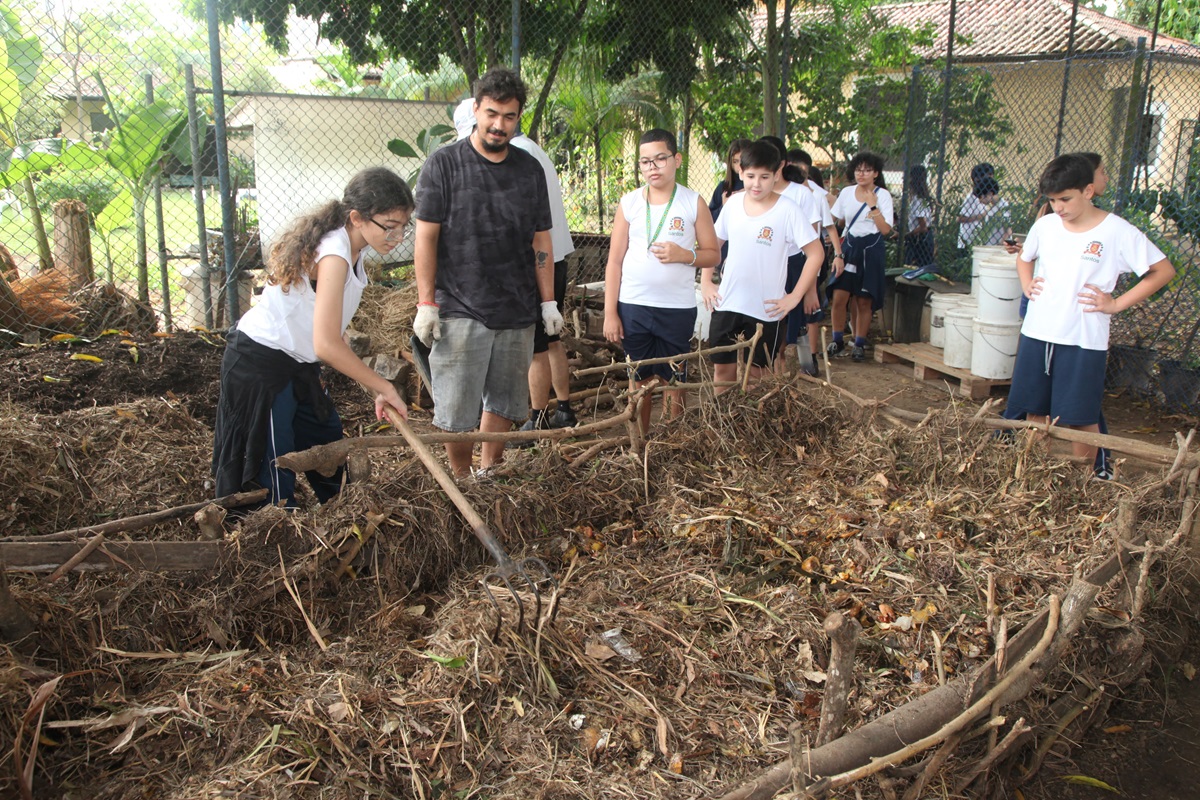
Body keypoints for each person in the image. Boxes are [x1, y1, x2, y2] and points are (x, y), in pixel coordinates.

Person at [212, 168, 413, 508]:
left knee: (327, 446)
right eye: (389, 226)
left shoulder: (355, 247)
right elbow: (326, 344)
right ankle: (274, 545)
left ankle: (346, 520)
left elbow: (329, 324)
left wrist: (373, 381)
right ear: (357, 218)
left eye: (403, 227)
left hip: (298, 365)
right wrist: (384, 386)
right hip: (262, 366)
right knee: (271, 472)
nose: (397, 236)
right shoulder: (334, 253)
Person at [412, 67, 561, 479]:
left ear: (518, 118)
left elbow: (541, 240)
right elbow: (424, 239)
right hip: (460, 303)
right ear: (475, 109)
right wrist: (427, 304)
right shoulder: (443, 165)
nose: (499, 125)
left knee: (506, 401)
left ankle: (489, 472)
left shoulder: (529, 170)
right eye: (492, 113)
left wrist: (547, 301)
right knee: (456, 406)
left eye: (509, 116)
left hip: (516, 306)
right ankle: (460, 477)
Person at [1006, 153, 1174, 478]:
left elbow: (1162, 271)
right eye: (1053, 200)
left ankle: (1087, 482)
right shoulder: (1046, 225)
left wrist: (1116, 303)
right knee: (1034, 411)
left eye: (1065, 199)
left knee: (1080, 415)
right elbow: (1025, 258)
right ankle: (1033, 475)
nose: (1059, 207)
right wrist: (1027, 285)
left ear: (1088, 190)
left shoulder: (1117, 231)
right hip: (1038, 332)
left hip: (1083, 338)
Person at [451, 98, 579, 434]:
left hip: (534, 263)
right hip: (557, 256)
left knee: (534, 345)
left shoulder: (515, 156)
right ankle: (563, 408)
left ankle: (536, 419)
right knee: (550, 339)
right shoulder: (531, 147)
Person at [604, 128, 720, 433]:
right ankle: (639, 443)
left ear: (676, 159)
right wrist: (610, 312)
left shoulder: (693, 203)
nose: (652, 167)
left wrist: (686, 255)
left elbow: (713, 254)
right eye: (645, 162)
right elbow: (614, 261)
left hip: (677, 307)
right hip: (633, 306)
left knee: (674, 376)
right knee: (639, 379)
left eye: (660, 159)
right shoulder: (629, 203)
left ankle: (671, 443)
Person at [701, 140, 824, 391]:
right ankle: (723, 424)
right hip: (728, 302)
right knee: (722, 370)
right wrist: (706, 281)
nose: (756, 184)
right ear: (740, 173)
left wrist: (794, 297)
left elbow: (816, 254)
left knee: (758, 374)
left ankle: (753, 427)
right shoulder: (733, 204)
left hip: (766, 308)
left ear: (777, 173)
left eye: (765, 176)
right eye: (751, 176)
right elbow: (714, 244)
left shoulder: (788, 209)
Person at [826, 152, 894, 362]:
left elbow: (885, 230)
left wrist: (873, 206)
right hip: (850, 246)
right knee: (839, 294)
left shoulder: (883, 195)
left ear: (875, 173)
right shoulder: (846, 193)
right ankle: (837, 339)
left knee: (864, 299)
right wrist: (837, 248)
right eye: (858, 170)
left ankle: (859, 343)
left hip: (872, 249)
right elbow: (835, 221)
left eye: (866, 170)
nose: (861, 174)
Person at [790, 148, 844, 377]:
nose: (799, 173)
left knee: (810, 309)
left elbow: (827, 227)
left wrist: (839, 255)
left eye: (803, 170)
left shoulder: (814, 195)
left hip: (810, 258)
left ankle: (810, 358)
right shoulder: (775, 192)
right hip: (786, 260)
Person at [957, 176, 1012, 249]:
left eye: (981, 196)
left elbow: (1008, 231)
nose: (979, 200)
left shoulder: (1003, 206)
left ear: (990, 194)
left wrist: (1000, 246)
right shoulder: (990, 208)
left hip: (999, 247)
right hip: (989, 247)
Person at [904, 164, 935, 267]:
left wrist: (907, 235)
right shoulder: (921, 198)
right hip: (922, 239)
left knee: (914, 268)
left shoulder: (919, 201)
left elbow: (923, 227)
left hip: (920, 241)